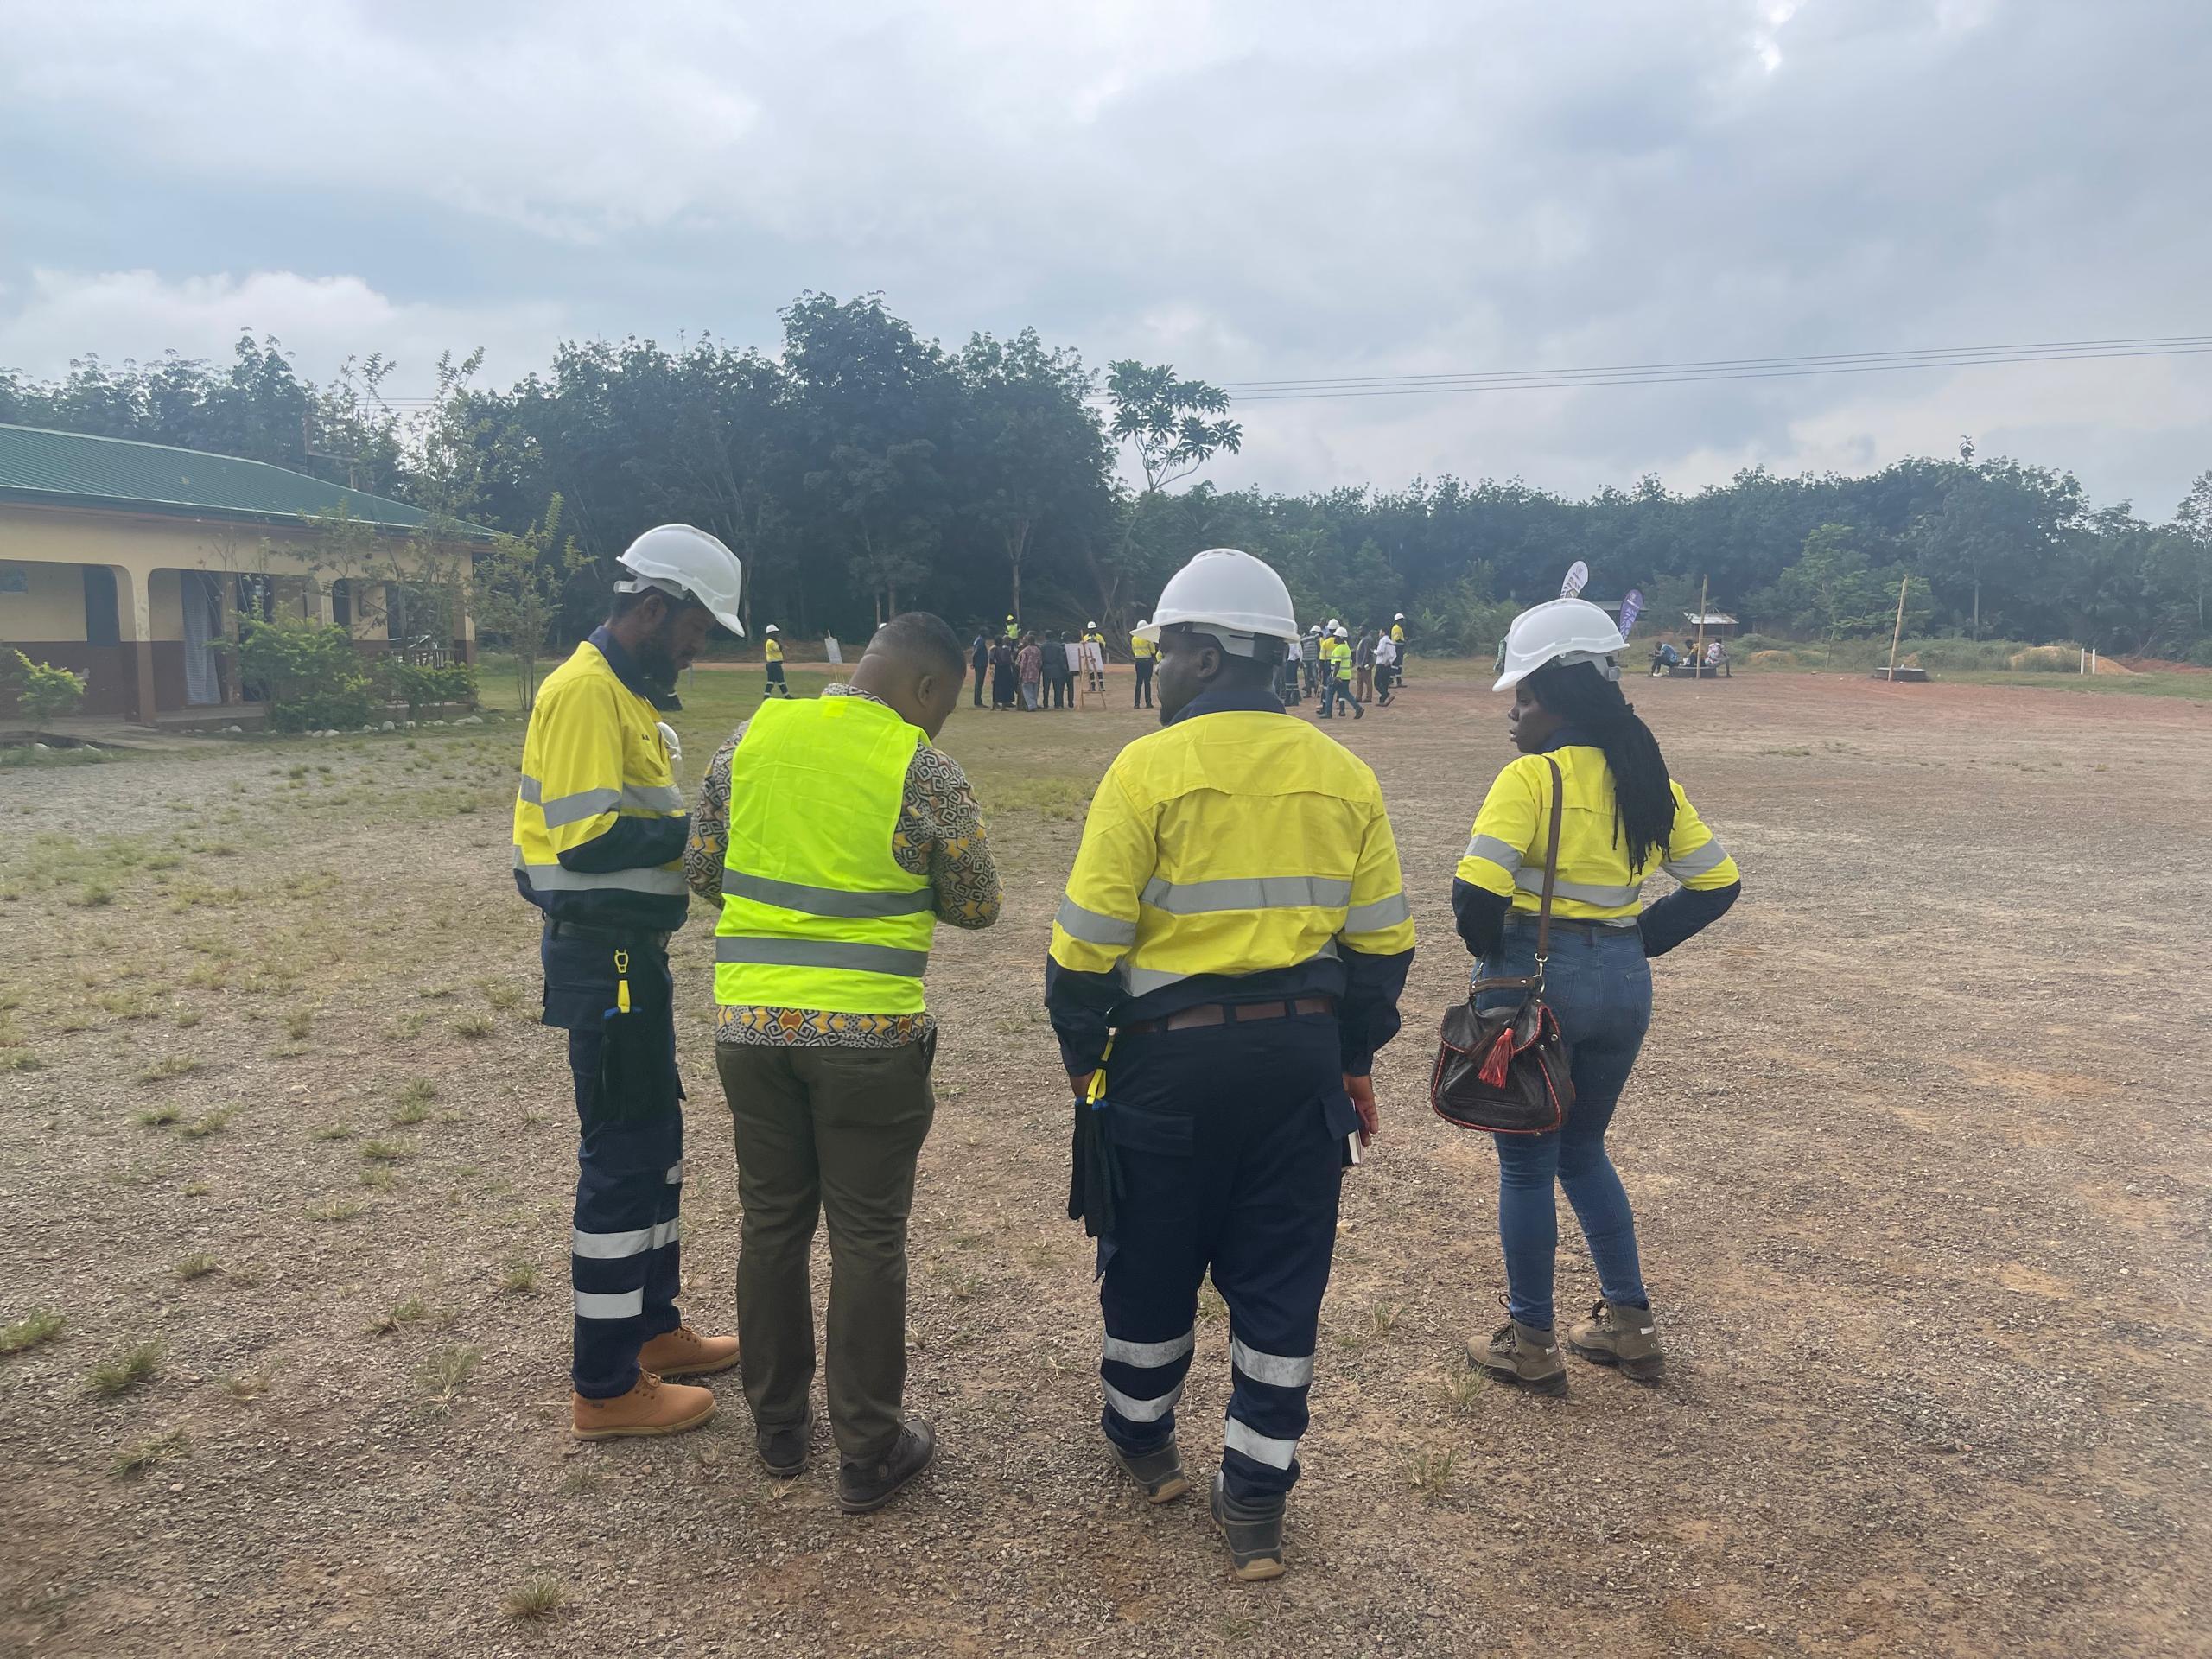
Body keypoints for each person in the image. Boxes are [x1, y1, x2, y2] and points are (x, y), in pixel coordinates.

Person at [1047, 548, 1415, 1581]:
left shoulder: (1146, 769)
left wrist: (1085, 1066)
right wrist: (1349, 1058)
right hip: (1298, 1065)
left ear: (1208, 656)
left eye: (1166, 651)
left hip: (1166, 1066)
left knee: (1150, 1256)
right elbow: (1384, 948)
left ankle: (1142, 1439)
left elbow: (1082, 953)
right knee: (1282, 1277)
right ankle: (1255, 1498)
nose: (1157, 670)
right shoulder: (1344, 773)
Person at [688, 612, 1001, 1511]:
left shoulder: (751, 738)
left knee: (770, 1224)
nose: (940, 722)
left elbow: (703, 869)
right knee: (867, 1236)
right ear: (927, 688)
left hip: (750, 1028)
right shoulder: (921, 768)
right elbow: (977, 903)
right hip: (869, 1038)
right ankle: (867, 1450)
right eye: (947, 706)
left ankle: (778, 1427)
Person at [1454, 599, 1741, 1396]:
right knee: (1583, 1152)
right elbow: (1718, 881)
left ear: (1556, 696)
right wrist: (1636, 940)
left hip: (1538, 983)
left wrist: (1495, 961)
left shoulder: (1530, 778)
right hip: (1623, 984)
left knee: (1526, 1167)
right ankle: (1629, 1325)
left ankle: (1531, 1341)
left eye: (1522, 697)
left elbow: (1475, 894)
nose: (1512, 713)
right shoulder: (1648, 780)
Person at [512, 524, 744, 1441]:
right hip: (602, 955)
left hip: (630, 956)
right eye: (696, 630)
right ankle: (605, 1387)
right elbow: (585, 838)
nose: (696, 649)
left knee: (655, 1144)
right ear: (654, 609)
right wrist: (706, 831)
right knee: (621, 1159)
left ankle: (651, 1330)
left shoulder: (624, 695)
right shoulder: (584, 692)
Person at [1130, 618, 1157, 709]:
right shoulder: (1147, 638)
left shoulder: (1134, 639)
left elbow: (1134, 650)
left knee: (1139, 682)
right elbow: (1153, 651)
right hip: (1147, 661)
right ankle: (1148, 703)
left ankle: (1136, 703)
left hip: (1138, 661)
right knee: (1147, 682)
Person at [762, 623, 791, 699]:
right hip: (774, 665)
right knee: (780, 680)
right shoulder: (771, 642)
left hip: (773, 665)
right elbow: (779, 649)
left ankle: (766, 696)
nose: (777, 634)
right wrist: (780, 642)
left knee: (772, 681)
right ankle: (787, 696)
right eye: (775, 633)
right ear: (771, 634)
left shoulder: (772, 641)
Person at [1018, 632, 1044, 711]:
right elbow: (1040, 662)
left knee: (1027, 690)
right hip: (1035, 673)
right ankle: (1034, 704)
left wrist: (1021, 674)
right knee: (1034, 690)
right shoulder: (1038, 650)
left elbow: (1023, 664)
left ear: (1027, 641)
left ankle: (1031, 706)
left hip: (1027, 674)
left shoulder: (1025, 651)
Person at [1043, 629, 1069, 709]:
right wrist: (1063, 667)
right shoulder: (1058, 646)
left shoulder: (1042, 646)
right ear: (1053, 637)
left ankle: (1045, 703)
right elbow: (1060, 658)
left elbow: (1041, 658)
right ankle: (1057, 704)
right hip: (1057, 668)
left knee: (1046, 688)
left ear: (1045, 637)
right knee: (1057, 688)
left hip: (1046, 668)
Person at [990, 637, 1018, 710]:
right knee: (1005, 687)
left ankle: (994, 705)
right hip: (1005, 669)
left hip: (997, 669)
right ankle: (1004, 706)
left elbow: (991, 660)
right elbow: (1008, 660)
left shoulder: (994, 649)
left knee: (996, 686)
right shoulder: (1005, 650)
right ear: (1001, 642)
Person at [1082, 621, 1108, 695]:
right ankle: (1093, 686)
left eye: (1093, 629)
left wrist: (1098, 642)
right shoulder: (1085, 637)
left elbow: (1103, 645)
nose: (1092, 630)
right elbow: (1083, 647)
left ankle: (1101, 686)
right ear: (1088, 629)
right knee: (1091, 671)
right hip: (1089, 656)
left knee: (1099, 670)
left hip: (1097, 656)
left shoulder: (1099, 637)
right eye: (1090, 629)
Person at [1374, 630, 1398, 706]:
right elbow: (1394, 654)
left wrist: (1374, 651)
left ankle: (1388, 695)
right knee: (1385, 683)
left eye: (1380, 632)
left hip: (1381, 664)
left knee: (1377, 683)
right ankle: (1382, 701)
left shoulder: (1383, 640)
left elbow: (1380, 651)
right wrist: (1390, 661)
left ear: (1383, 633)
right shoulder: (1391, 642)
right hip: (1388, 665)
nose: (1379, 634)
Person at [970, 630, 990, 709]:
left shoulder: (978, 639)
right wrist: (973, 661)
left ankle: (977, 701)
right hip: (980, 664)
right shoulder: (981, 641)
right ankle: (978, 702)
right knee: (979, 683)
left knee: (978, 683)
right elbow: (976, 651)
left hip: (979, 663)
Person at [1353, 629, 1375, 702]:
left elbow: (1366, 652)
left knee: (1367, 679)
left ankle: (1369, 697)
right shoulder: (1364, 639)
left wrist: (1362, 664)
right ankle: (1358, 696)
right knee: (1359, 680)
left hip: (1366, 664)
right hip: (1361, 664)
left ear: (1365, 629)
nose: (1359, 631)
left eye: (1361, 629)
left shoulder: (1367, 639)